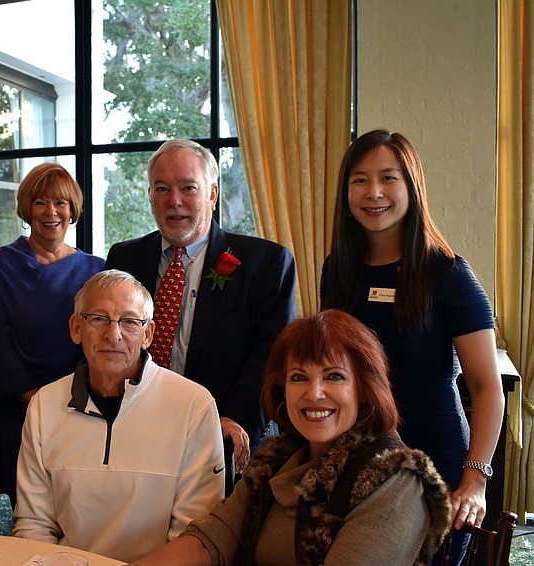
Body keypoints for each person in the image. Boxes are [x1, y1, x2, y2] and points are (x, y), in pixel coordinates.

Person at [130, 310, 453, 566]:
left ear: (366, 389)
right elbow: (212, 539)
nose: (314, 393)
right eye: (299, 377)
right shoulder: (277, 459)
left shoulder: (396, 481)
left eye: (334, 376)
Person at [320, 130, 504, 563]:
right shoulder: (337, 271)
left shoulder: (448, 273)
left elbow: (487, 389)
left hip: (438, 463)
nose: (374, 193)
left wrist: (475, 481)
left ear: (412, 186)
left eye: (389, 178)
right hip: (361, 461)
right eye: (360, 180)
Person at [105, 139, 297, 475]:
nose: (174, 201)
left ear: (212, 194)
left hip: (225, 441)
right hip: (134, 437)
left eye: (188, 188)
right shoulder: (124, 258)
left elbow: (272, 354)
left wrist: (233, 420)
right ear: (150, 196)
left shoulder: (266, 263)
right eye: (162, 189)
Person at [13, 270, 224, 563]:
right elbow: (33, 525)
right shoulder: (44, 406)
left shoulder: (194, 406)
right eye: (98, 319)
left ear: (148, 334)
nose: (113, 335)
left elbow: (195, 536)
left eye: (130, 322)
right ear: (76, 328)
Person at [0, 162, 104, 501]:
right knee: (26, 507)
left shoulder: (97, 270)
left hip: (79, 408)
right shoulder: (0, 265)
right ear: (27, 209)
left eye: (60, 202)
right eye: (40, 202)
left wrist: (71, 404)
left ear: (73, 209)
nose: (51, 212)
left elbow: (99, 343)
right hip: (17, 409)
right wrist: (37, 402)